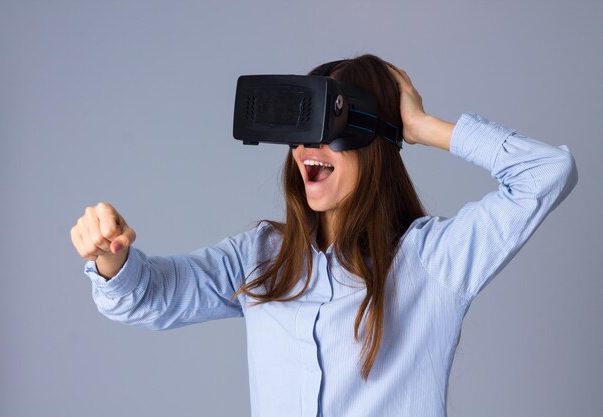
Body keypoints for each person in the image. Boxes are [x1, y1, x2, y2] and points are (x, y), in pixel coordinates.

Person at [71, 54, 578, 417]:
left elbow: (547, 172)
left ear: (372, 136)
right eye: (300, 129)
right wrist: (110, 259)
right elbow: (149, 297)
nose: (304, 147)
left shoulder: (435, 260)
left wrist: (420, 127)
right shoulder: (261, 257)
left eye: (326, 124)